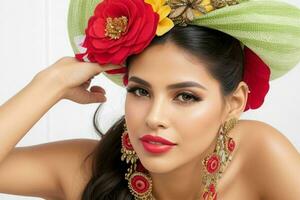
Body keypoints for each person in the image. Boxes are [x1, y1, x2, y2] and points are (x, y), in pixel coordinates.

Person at [1, 0, 300, 200]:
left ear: (234, 102)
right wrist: (49, 84)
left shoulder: (262, 153)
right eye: (141, 91)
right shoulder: (86, 170)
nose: (154, 117)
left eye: (185, 96)